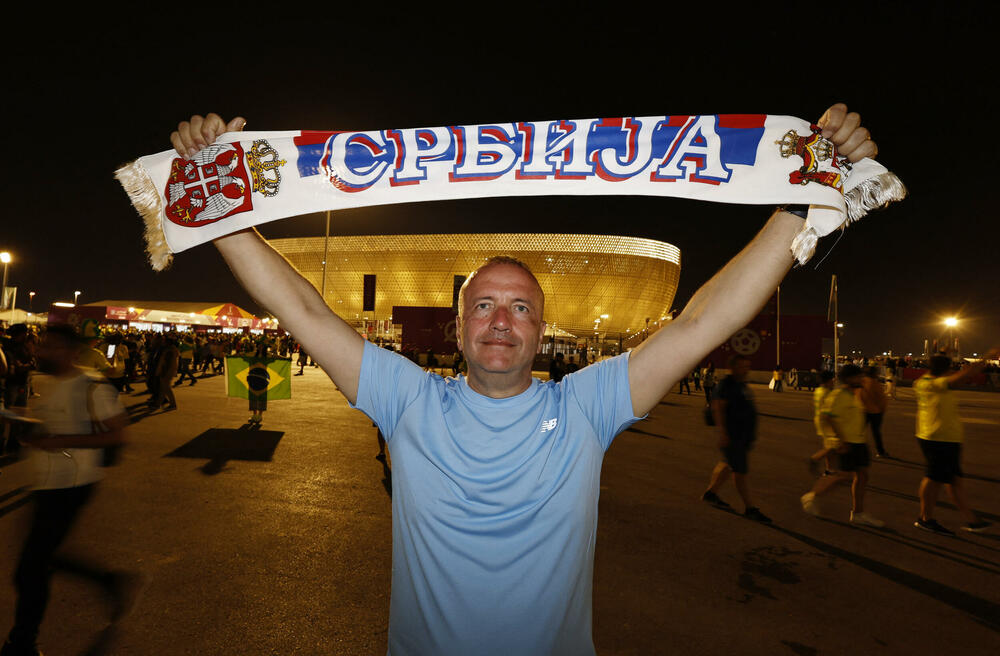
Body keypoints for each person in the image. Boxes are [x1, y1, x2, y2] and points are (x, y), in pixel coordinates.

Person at [171, 102, 877, 655]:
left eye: (519, 308)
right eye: (482, 305)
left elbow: (701, 324)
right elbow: (302, 307)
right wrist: (220, 200)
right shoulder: (406, 399)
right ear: (457, 329)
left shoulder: (587, 405)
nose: (501, 320)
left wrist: (803, 197)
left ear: (542, 332)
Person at [1, 325, 139, 656]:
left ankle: (22, 643)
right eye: (42, 346)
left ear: (71, 352)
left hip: (74, 484)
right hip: (46, 482)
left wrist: (60, 441)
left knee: (30, 569)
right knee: (44, 559)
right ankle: (110, 582)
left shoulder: (93, 386)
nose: (42, 352)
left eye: (51, 348)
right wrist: (23, 423)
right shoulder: (44, 380)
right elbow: (50, 422)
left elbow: (117, 435)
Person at [913, 351, 998, 535]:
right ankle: (924, 518)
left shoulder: (927, 381)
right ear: (945, 370)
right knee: (933, 478)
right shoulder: (932, 384)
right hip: (936, 438)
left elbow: (959, 378)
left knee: (954, 480)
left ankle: (972, 521)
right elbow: (963, 376)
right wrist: (987, 357)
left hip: (946, 438)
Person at [800, 364, 884, 527]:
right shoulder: (838, 395)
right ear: (849, 379)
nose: (861, 379)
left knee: (862, 476)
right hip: (848, 442)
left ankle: (858, 513)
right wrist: (839, 440)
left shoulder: (852, 394)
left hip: (859, 442)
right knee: (843, 476)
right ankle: (811, 496)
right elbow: (827, 417)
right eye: (858, 377)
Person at [700, 354, 771, 522]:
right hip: (733, 436)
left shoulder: (741, 384)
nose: (746, 370)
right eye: (742, 367)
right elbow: (718, 409)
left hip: (742, 436)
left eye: (747, 366)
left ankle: (711, 493)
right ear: (732, 368)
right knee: (740, 472)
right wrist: (722, 433)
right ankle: (750, 508)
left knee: (727, 464)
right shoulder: (726, 385)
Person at [808, 369, 838, 475]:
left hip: (820, 421)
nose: (834, 382)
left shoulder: (818, 391)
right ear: (828, 381)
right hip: (827, 422)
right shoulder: (827, 393)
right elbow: (830, 411)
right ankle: (816, 458)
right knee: (834, 447)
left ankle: (829, 469)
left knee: (829, 446)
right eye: (832, 380)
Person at [858, 365, 889, 457]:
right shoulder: (876, 384)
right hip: (876, 412)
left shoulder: (861, 382)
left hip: (863, 411)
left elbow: (858, 396)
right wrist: (883, 409)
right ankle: (880, 451)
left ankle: (857, 450)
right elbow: (882, 399)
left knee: (860, 432)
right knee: (876, 433)